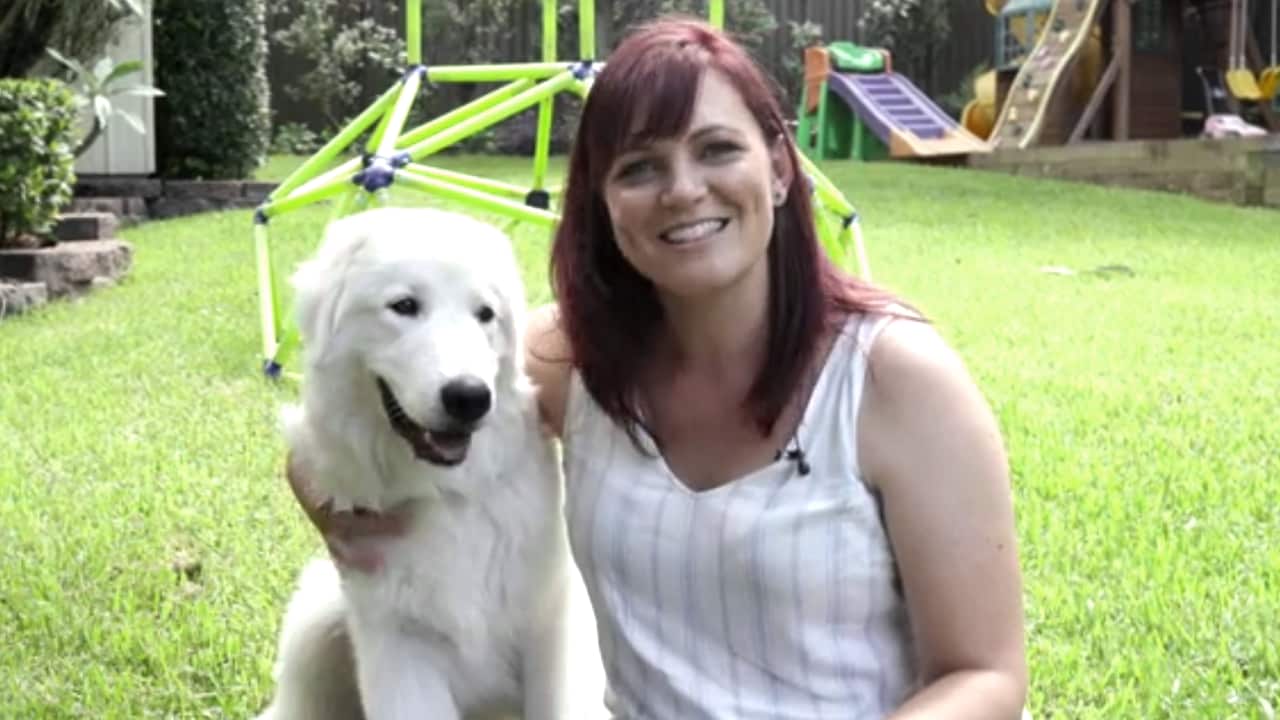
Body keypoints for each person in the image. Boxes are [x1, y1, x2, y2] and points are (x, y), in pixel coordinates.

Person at [287, 16, 1028, 720]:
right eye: (640, 167)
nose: (682, 190)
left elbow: (986, 676)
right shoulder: (574, 362)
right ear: (605, 205)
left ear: (779, 168)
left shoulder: (893, 378)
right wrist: (325, 496)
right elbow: (375, 400)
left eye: (717, 150)